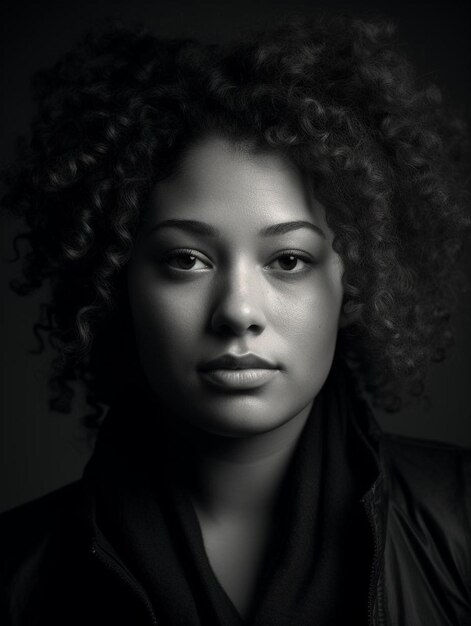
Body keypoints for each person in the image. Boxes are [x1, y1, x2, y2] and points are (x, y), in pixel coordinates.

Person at [1, 14, 470, 626]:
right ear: (118, 281)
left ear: (351, 282)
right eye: (186, 260)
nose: (238, 312)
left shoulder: (460, 525)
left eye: (289, 259)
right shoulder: (17, 574)